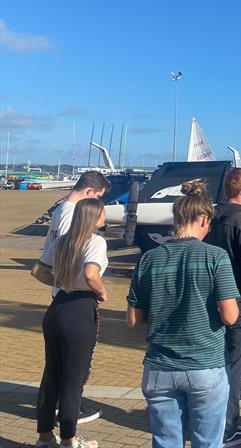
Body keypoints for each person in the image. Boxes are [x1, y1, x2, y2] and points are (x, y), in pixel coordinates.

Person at [126, 181, 240, 448]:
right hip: (204, 364)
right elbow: (230, 316)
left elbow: (133, 319)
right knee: (207, 442)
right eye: (209, 223)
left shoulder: (148, 259)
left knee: (165, 441)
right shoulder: (216, 257)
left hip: (159, 367)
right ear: (203, 219)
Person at [35, 170, 111, 427]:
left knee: (52, 374)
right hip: (78, 306)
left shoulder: (60, 218)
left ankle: (44, 436)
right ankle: (68, 435)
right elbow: (89, 272)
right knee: (73, 377)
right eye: (101, 203)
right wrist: (100, 290)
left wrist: (59, 280)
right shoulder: (94, 240)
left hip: (57, 305)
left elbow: (38, 268)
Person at [204, 168, 241, 447]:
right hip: (240, 304)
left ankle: (207, 420)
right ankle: (227, 428)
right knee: (233, 369)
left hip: (210, 303)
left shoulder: (210, 218)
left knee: (216, 365)